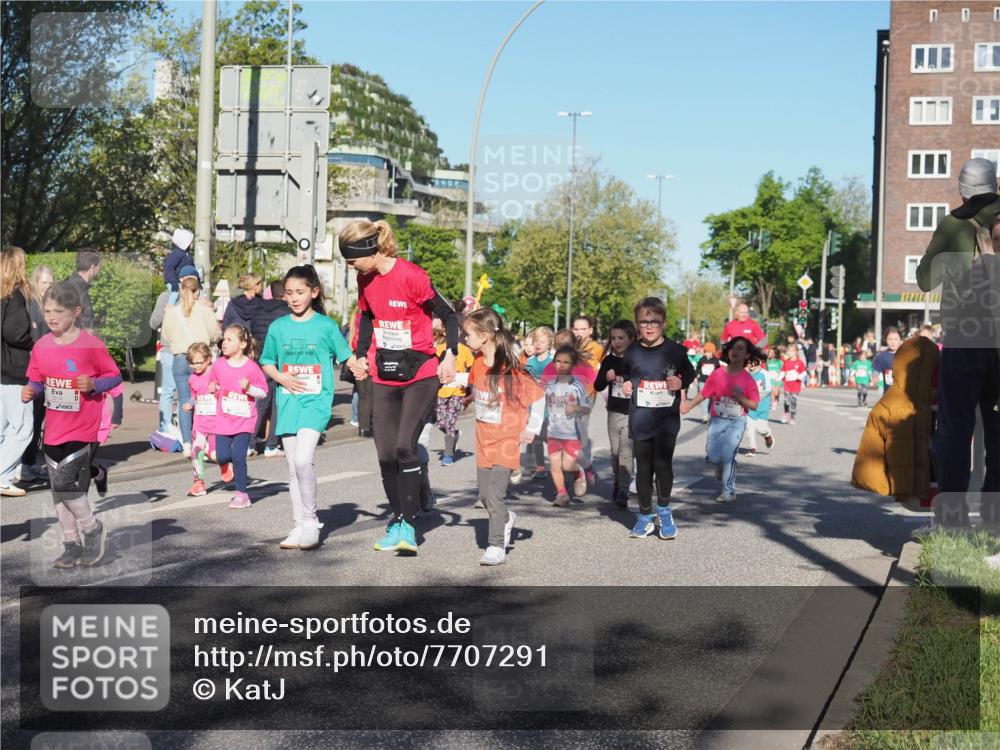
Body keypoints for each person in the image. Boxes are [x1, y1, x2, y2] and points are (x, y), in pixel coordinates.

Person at [342, 220, 458, 554]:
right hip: (385, 373)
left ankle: (407, 524)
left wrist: (449, 356)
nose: (350, 268)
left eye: (352, 260)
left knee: (406, 446)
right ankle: (399, 517)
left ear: (368, 250)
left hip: (421, 371)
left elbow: (449, 316)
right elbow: (366, 316)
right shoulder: (365, 280)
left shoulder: (411, 276)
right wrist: (361, 354)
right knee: (385, 453)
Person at [916, 157, 1000, 528]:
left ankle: (951, 521)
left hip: (965, 338)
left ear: (963, 189)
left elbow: (924, 280)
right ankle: (995, 523)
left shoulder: (953, 224)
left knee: (954, 430)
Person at [22, 282, 121, 567]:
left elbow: (113, 377)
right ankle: (71, 543)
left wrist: (93, 384)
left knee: (65, 481)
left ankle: (92, 529)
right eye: (47, 310)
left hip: (83, 424)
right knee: (57, 487)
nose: (51, 317)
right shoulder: (41, 346)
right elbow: (36, 380)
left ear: (76, 312)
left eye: (59, 311)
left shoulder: (90, 344)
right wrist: (31, 391)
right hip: (54, 425)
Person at [261, 266, 354, 550]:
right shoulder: (278, 327)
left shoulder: (326, 326)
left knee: (303, 460)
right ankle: (299, 524)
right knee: (292, 467)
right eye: (289, 293)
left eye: (300, 292)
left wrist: (359, 365)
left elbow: (346, 356)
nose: (294, 298)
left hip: (316, 401)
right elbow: (267, 362)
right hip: (288, 400)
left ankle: (312, 520)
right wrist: (282, 377)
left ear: (314, 292)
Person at [460, 308, 543, 564]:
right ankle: (506, 519)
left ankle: (496, 546)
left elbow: (538, 397)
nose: (465, 339)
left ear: (484, 336)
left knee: (495, 495)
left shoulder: (511, 368)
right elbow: (476, 383)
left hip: (507, 440)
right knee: (485, 496)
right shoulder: (477, 363)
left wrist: (533, 428)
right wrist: (465, 393)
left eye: (468, 334)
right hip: (484, 440)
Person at [616, 297, 695, 539]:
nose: (649, 327)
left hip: (666, 419)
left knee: (662, 465)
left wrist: (681, 381)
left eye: (655, 322)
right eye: (644, 322)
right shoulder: (631, 351)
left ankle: (664, 510)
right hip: (641, 417)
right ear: (637, 324)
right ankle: (644, 516)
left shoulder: (675, 350)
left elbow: (690, 373)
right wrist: (627, 386)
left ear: (664, 322)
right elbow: (626, 376)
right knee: (643, 469)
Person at [682, 337, 761, 502]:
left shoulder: (748, 379)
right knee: (713, 456)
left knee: (728, 455)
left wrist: (739, 397)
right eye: (733, 348)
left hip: (736, 422)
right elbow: (705, 393)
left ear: (747, 355)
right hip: (717, 420)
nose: (735, 351)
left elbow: (754, 405)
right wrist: (689, 405)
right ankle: (723, 466)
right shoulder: (717, 374)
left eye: (740, 349)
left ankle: (728, 491)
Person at [208, 326, 267, 509]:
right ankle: (226, 465)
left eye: (229, 340)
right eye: (223, 339)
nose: (224, 343)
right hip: (224, 419)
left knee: (239, 456)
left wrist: (249, 388)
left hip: (244, 420)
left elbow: (263, 393)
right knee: (223, 455)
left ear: (242, 344)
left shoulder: (251, 367)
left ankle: (242, 495)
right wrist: (213, 389)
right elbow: (213, 383)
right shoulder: (218, 364)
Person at [162, 276, 221, 455]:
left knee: (184, 401)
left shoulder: (171, 312)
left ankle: (187, 442)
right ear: (197, 291)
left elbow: (166, 335)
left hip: (180, 359)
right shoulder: (204, 311)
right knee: (207, 399)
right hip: (202, 360)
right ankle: (208, 440)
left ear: (180, 290)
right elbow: (216, 334)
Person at [148, 264, 202, 434]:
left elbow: (153, 323)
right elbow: (153, 322)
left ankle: (170, 429)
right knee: (180, 393)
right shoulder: (174, 298)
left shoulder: (169, 297)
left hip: (176, 351)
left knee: (171, 392)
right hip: (183, 353)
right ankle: (175, 429)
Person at [1, 247, 36, 496]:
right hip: (14, 369)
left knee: (3, 428)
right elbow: (14, 332)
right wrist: (31, 333)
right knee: (23, 427)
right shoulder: (14, 296)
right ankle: (2, 474)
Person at [544, 346, 593, 507]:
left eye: (566, 362)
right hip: (553, 432)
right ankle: (562, 494)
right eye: (558, 361)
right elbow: (542, 405)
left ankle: (579, 472)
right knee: (554, 465)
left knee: (567, 465)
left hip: (571, 433)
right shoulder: (550, 385)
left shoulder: (577, 386)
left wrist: (576, 408)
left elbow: (587, 408)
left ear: (573, 365)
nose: (561, 365)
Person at [182, 342, 233, 497]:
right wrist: (189, 404)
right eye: (191, 363)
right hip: (200, 424)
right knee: (196, 452)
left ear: (208, 359)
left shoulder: (217, 373)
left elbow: (227, 391)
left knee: (214, 453)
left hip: (216, 424)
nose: (195, 366)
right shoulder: (192, 379)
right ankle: (199, 484)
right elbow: (194, 397)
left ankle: (225, 464)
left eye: (199, 362)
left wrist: (217, 390)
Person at [20, 264, 56, 483]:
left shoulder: (49, 305)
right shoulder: (32, 304)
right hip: (34, 369)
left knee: (40, 418)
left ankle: (31, 462)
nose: (47, 286)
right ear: (36, 282)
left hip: (47, 369)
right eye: (44, 282)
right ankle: (24, 464)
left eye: (50, 282)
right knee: (30, 419)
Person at [595, 319, 636, 508]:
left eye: (621, 338)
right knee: (614, 453)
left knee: (626, 453)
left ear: (631, 338)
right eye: (613, 338)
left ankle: (623, 491)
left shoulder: (637, 360)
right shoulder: (609, 361)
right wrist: (606, 377)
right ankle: (618, 481)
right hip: (614, 412)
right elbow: (598, 386)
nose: (616, 342)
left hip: (633, 413)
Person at [250, 279, 289, 456]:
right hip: (279, 362)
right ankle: (271, 445)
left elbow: (254, 331)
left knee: (260, 403)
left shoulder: (258, 309)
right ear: (285, 294)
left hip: (261, 360)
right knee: (278, 405)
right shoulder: (286, 313)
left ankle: (249, 444)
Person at [434, 318, 474, 466]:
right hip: (441, 391)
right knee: (440, 423)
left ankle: (448, 455)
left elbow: (471, 371)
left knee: (449, 423)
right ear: (444, 331)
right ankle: (455, 435)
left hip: (458, 391)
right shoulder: (439, 349)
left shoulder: (465, 350)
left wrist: (471, 393)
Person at [524, 326, 554, 480]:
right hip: (532, 407)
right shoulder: (529, 363)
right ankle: (540, 467)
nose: (538, 344)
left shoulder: (553, 362)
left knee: (550, 439)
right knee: (536, 438)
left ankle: (559, 466)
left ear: (550, 343)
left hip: (550, 408)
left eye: (542, 341)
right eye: (536, 341)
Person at [743, 357, 774, 456]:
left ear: (759, 363)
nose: (750, 365)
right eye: (748, 362)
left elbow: (768, 389)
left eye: (753, 362)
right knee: (749, 428)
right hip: (750, 407)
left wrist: (756, 397)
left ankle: (768, 435)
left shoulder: (765, 374)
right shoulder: (745, 375)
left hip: (762, 407)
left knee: (761, 429)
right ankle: (752, 448)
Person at [64, 249, 100, 333]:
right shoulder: (77, 289)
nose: (100, 270)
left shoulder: (75, 285)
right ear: (93, 268)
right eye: (99, 266)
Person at [694, 342, 721, 423]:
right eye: (706, 352)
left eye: (709, 352)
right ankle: (704, 416)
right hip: (702, 381)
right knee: (703, 399)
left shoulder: (716, 361)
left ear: (712, 352)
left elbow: (718, 371)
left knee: (711, 400)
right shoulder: (702, 359)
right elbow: (698, 369)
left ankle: (710, 413)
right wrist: (696, 377)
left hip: (713, 383)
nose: (707, 354)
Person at [780, 344, 807, 425]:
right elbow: (783, 372)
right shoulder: (786, 362)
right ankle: (786, 413)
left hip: (796, 386)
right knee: (786, 400)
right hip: (787, 385)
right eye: (788, 351)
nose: (788, 353)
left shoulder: (799, 362)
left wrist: (800, 376)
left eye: (790, 351)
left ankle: (792, 417)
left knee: (793, 401)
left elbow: (804, 372)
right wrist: (778, 378)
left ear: (795, 352)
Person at [873, 327, 902, 396]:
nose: (892, 342)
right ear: (886, 340)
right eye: (890, 339)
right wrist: (875, 377)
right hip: (889, 393)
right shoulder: (882, 356)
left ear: (900, 340)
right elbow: (876, 369)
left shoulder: (907, 355)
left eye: (895, 339)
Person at [164, 228, 195, 293]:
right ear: (185, 243)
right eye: (191, 242)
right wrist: (173, 281)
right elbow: (169, 267)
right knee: (175, 295)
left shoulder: (187, 255)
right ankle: (170, 303)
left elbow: (192, 269)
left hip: (184, 283)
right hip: (174, 282)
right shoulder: (177, 254)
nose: (193, 243)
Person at [766, 346, 783, 412]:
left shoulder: (779, 362)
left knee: (776, 392)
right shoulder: (768, 361)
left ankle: (776, 400)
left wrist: (779, 377)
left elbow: (782, 370)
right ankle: (773, 403)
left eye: (772, 353)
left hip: (778, 379)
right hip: (771, 379)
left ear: (775, 354)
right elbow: (767, 370)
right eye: (769, 352)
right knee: (772, 392)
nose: (770, 354)